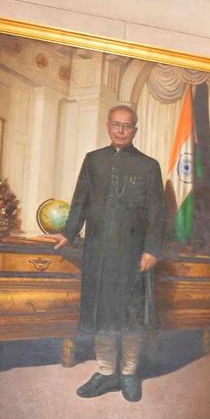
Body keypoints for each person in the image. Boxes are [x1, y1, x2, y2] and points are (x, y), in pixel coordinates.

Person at [47, 104, 165, 403]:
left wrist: (151, 249)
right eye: (116, 124)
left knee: (130, 316)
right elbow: (80, 202)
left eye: (128, 126)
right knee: (102, 316)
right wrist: (68, 232)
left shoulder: (149, 166)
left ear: (135, 130)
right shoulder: (93, 160)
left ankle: (128, 373)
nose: (121, 130)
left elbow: (156, 213)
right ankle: (105, 371)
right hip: (99, 253)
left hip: (133, 255)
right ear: (108, 126)